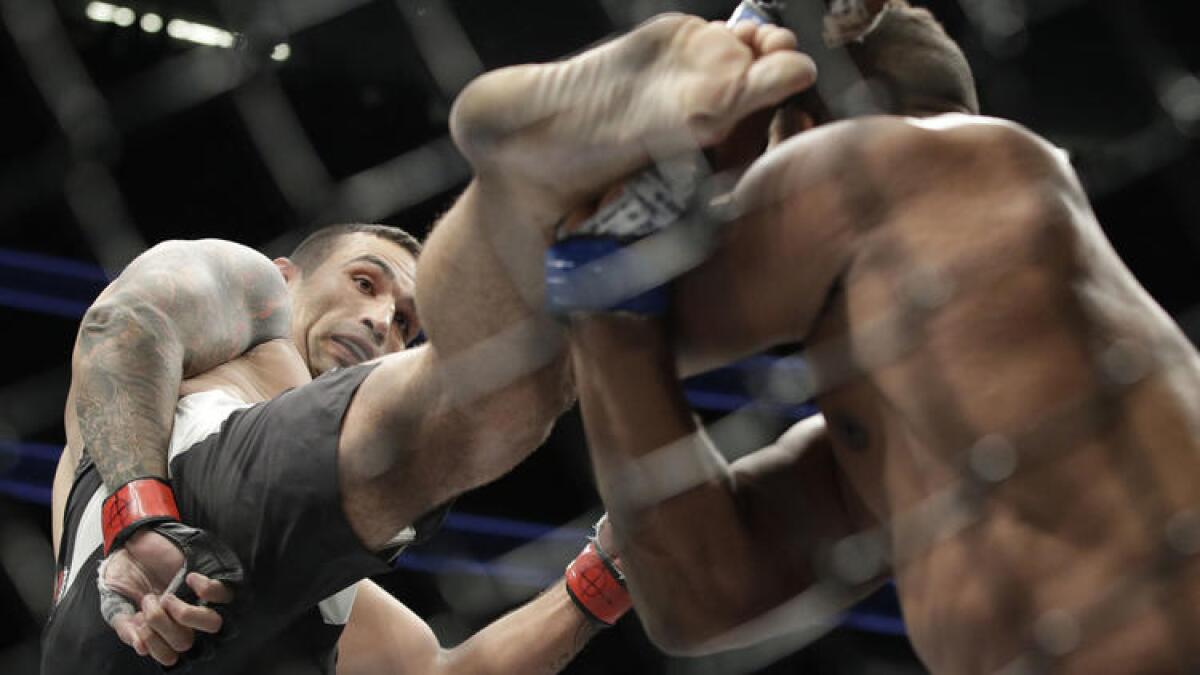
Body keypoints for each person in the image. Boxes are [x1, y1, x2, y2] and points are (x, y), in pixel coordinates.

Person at [42, 14, 816, 673]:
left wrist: (606, 569)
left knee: (510, 397)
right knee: (486, 398)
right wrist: (140, 516)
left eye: (409, 321)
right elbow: (126, 325)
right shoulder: (253, 297)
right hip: (149, 537)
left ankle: (603, 217)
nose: (383, 322)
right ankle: (549, 189)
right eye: (365, 283)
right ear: (289, 275)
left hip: (240, 598)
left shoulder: (341, 581)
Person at [460, 1, 1200, 673]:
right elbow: (698, 600)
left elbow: (533, 338)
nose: (729, 199)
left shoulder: (914, 158)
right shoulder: (907, 437)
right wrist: (608, 306)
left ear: (804, 119)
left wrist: (664, 150)